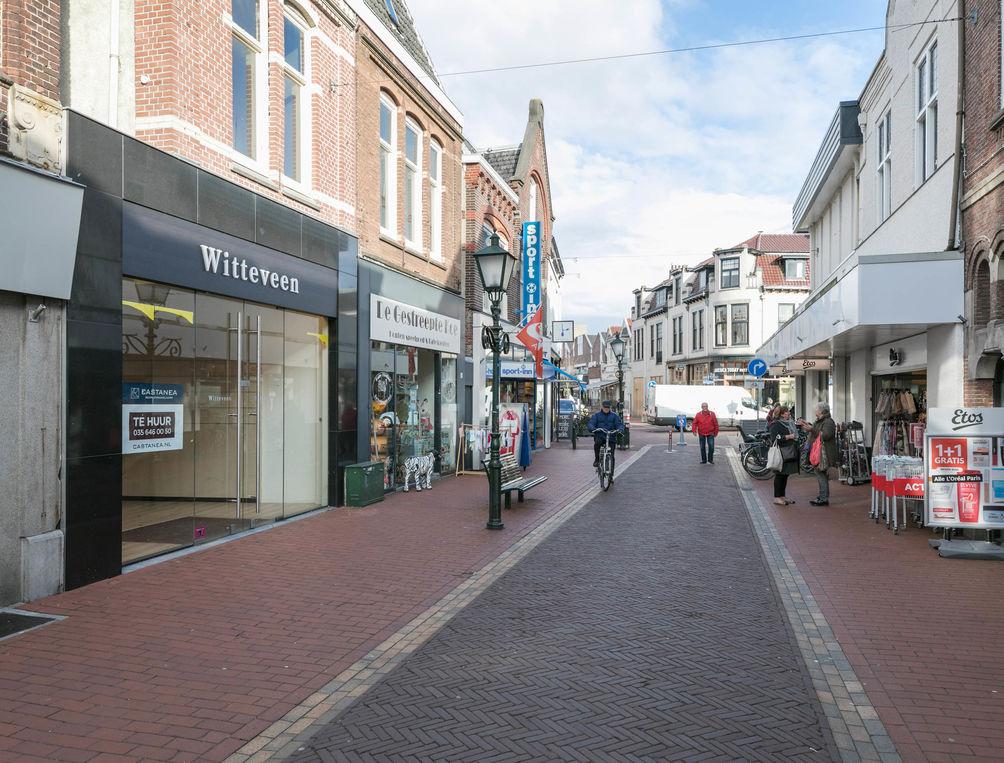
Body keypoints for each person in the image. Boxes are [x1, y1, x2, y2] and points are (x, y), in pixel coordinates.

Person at [799, 402, 838, 506]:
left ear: (821, 411)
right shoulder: (820, 421)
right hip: (818, 452)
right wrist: (807, 425)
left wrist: (812, 429)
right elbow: (817, 430)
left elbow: (825, 435)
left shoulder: (829, 422)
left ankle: (823, 498)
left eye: (816, 410)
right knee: (820, 474)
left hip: (823, 453)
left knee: (821, 474)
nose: (815, 412)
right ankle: (822, 497)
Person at [768, 406, 799, 505]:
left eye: (788, 412)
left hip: (789, 452)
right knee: (780, 475)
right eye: (786, 412)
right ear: (781, 414)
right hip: (781, 453)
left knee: (785, 474)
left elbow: (796, 434)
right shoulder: (776, 424)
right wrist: (789, 436)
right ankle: (777, 497)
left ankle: (782, 496)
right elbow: (774, 437)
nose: (789, 413)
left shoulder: (789, 423)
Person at [588, 400, 624, 469]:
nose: (606, 409)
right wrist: (592, 428)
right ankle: (597, 459)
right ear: (602, 407)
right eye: (605, 407)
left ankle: (611, 476)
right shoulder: (597, 415)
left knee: (612, 455)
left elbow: (619, 424)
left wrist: (620, 429)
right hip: (600, 435)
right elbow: (591, 423)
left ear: (610, 408)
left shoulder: (614, 416)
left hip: (611, 437)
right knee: (597, 444)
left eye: (608, 407)